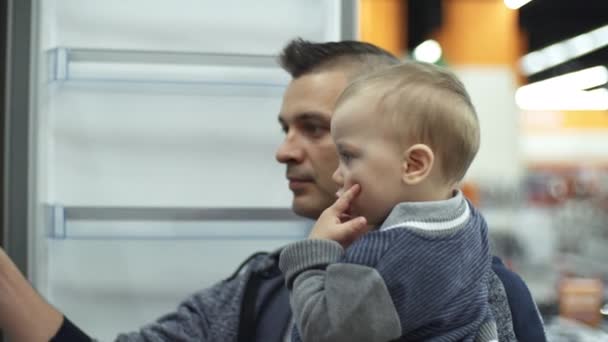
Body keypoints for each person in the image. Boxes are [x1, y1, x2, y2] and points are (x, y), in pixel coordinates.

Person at [0, 39, 546, 342]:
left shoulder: (491, 295)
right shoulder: (258, 290)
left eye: (319, 130)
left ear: (411, 155)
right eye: (284, 129)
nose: (285, 151)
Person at [279, 61, 497, 342]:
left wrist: (313, 255)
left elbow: (325, 333)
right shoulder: (472, 225)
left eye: (348, 156)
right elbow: (482, 317)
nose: (337, 174)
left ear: (413, 165)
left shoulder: (379, 256)